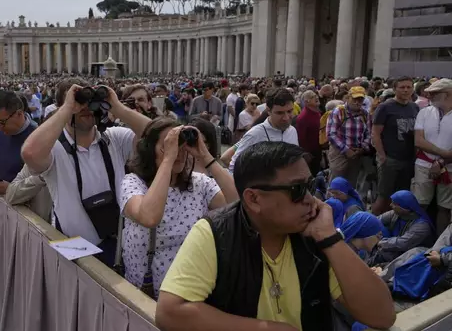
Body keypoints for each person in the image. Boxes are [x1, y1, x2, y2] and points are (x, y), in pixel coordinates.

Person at [156, 142, 395, 331]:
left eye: (310, 186)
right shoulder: (215, 233)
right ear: (254, 199)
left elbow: (382, 315)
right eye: (297, 190)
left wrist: (331, 239)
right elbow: (169, 313)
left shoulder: (316, 235)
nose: (310, 199)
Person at [22, 78, 152, 267]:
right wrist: (67, 109)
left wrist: (117, 107)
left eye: (88, 102)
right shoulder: (54, 150)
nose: (85, 108)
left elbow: (157, 137)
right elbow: (29, 152)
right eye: (77, 102)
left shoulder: (113, 139)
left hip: (116, 247)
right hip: (74, 255)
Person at [120, 118, 235, 297]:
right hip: (145, 297)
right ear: (150, 150)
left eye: (182, 146)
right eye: (169, 146)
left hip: (191, 293)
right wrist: (168, 160)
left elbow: (237, 203)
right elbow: (149, 217)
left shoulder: (199, 183)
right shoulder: (134, 183)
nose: (178, 153)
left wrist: (206, 157)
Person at [371, 76, 419, 215]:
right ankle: (372, 226)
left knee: (402, 197)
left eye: (409, 87)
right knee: (384, 197)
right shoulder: (385, 107)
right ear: (395, 89)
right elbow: (376, 133)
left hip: (408, 159)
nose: (405, 90)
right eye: (402, 87)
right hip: (390, 158)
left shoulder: (414, 107)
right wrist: (382, 156)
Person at [413, 79, 452, 235]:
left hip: (449, 168)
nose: (429, 95)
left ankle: (438, 243)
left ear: (447, 94)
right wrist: (443, 155)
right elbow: (418, 140)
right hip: (424, 164)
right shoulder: (424, 112)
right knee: (419, 204)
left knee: (445, 207)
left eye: (435, 93)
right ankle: (415, 237)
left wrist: (442, 162)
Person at [226, 88, 298, 173]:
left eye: (289, 111)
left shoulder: (292, 131)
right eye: (279, 113)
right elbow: (234, 167)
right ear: (268, 111)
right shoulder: (255, 134)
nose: (286, 118)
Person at [0, 91, 37, 196]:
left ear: (19, 114)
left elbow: (40, 182)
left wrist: (10, 189)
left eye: (2, 122)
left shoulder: (38, 137)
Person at [371, 190, 435, 266]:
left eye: (394, 204)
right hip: (394, 247)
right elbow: (375, 221)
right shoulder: (395, 214)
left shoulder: (422, 226)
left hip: (411, 255)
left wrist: (380, 242)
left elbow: (403, 243)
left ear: (404, 208)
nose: (391, 205)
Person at [326, 86, 371, 186]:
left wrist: (362, 148)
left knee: (351, 185)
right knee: (336, 184)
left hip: (357, 153)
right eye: (354, 99)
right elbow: (331, 134)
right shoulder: (338, 111)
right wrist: (346, 150)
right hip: (339, 153)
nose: (357, 102)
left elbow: (368, 133)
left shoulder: (365, 113)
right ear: (348, 98)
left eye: (360, 99)